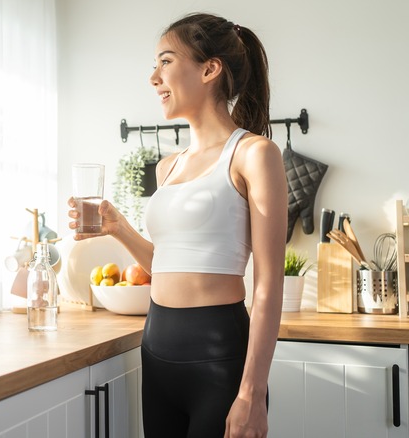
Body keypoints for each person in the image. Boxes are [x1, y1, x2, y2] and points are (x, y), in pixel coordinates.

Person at [68, 13, 286, 438]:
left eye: (165, 61)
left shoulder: (254, 154)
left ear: (209, 69)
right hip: (157, 349)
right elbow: (168, 265)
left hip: (218, 356)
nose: (154, 77)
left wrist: (252, 393)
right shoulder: (168, 167)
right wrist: (118, 227)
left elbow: (268, 283)